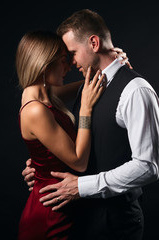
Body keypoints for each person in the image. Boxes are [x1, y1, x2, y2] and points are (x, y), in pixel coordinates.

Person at [22, 9, 159, 239]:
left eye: (73, 53)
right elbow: (49, 108)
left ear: (94, 43)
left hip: (116, 225)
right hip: (80, 221)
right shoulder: (85, 88)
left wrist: (82, 187)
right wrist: (41, 165)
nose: (71, 63)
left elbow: (148, 166)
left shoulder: (136, 91)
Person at [16, 30, 106, 239]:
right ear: (44, 64)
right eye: (63, 61)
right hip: (49, 214)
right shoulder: (35, 109)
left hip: (61, 206)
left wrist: (108, 69)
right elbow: (79, 162)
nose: (69, 67)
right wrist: (85, 109)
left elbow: (85, 87)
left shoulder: (42, 95)